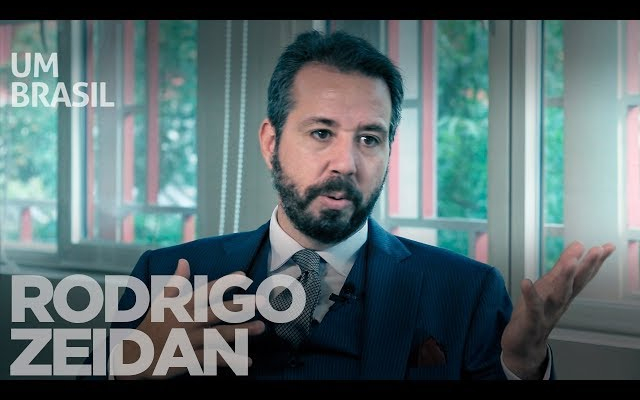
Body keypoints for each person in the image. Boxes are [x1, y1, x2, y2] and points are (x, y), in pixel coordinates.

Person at [107, 30, 615, 380]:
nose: (346, 163)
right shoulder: (166, 276)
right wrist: (131, 368)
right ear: (270, 142)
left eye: (369, 138)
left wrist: (521, 368)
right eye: (321, 133)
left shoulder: (467, 292)